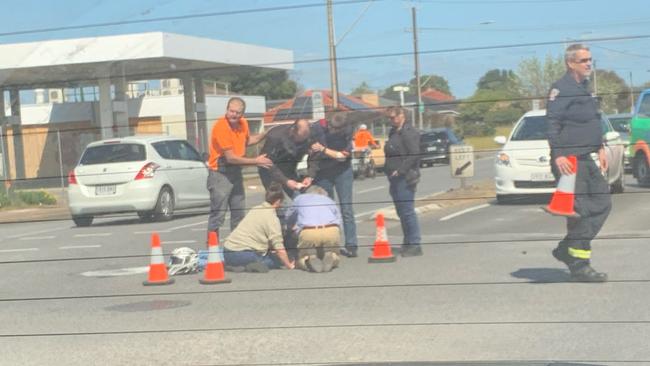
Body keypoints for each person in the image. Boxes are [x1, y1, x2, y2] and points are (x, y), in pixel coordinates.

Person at [547, 43, 611, 282]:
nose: (588, 64)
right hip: (570, 161)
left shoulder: (584, 87)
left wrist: (601, 146)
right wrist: (559, 154)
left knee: (603, 202)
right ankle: (580, 265)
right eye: (584, 60)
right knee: (581, 213)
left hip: (587, 157)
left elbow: (591, 121)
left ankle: (567, 249)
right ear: (570, 63)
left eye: (590, 59)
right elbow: (552, 123)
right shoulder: (561, 89)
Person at [206, 97, 272, 238]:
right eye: (231, 111)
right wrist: (256, 161)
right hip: (220, 173)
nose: (234, 115)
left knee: (239, 213)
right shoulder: (221, 127)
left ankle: (236, 248)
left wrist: (265, 134)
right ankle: (212, 249)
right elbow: (230, 157)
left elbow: (247, 141)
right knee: (218, 214)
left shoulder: (243, 124)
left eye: (238, 112)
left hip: (235, 172)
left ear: (242, 114)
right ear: (227, 110)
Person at [308, 113, 358, 257]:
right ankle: (328, 244)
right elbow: (310, 148)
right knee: (326, 209)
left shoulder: (348, 130)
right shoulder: (317, 128)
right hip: (322, 172)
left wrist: (323, 149)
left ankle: (351, 244)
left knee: (346, 208)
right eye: (333, 129)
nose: (336, 133)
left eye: (339, 130)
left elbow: (342, 156)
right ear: (328, 124)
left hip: (343, 171)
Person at [223, 183, 294, 273]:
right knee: (274, 261)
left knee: (269, 256)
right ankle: (246, 266)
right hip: (243, 254)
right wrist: (288, 265)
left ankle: (234, 265)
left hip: (227, 251)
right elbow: (278, 247)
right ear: (278, 201)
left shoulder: (255, 209)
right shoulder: (272, 218)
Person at [384, 106, 422, 257]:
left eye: (393, 117)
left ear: (402, 116)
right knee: (401, 211)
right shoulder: (394, 131)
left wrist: (401, 170)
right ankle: (407, 241)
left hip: (405, 177)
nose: (391, 120)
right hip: (393, 178)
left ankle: (415, 243)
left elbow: (414, 154)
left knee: (407, 211)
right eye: (389, 118)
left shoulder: (409, 132)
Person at [285, 185, 341, 273]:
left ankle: (308, 258)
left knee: (303, 254)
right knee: (334, 251)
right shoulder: (329, 200)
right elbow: (338, 218)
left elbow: (289, 216)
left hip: (309, 231)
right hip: (331, 229)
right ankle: (332, 256)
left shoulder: (300, 198)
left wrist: (290, 227)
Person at [258, 119, 314, 197]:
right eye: (300, 138)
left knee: (300, 197)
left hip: (289, 169)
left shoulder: (309, 137)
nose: (303, 140)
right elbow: (267, 162)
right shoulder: (275, 136)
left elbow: (314, 157)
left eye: (305, 138)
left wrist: (309, 176)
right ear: (293, 131)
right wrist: (286, 181)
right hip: (270, 170)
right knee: (279, 201)